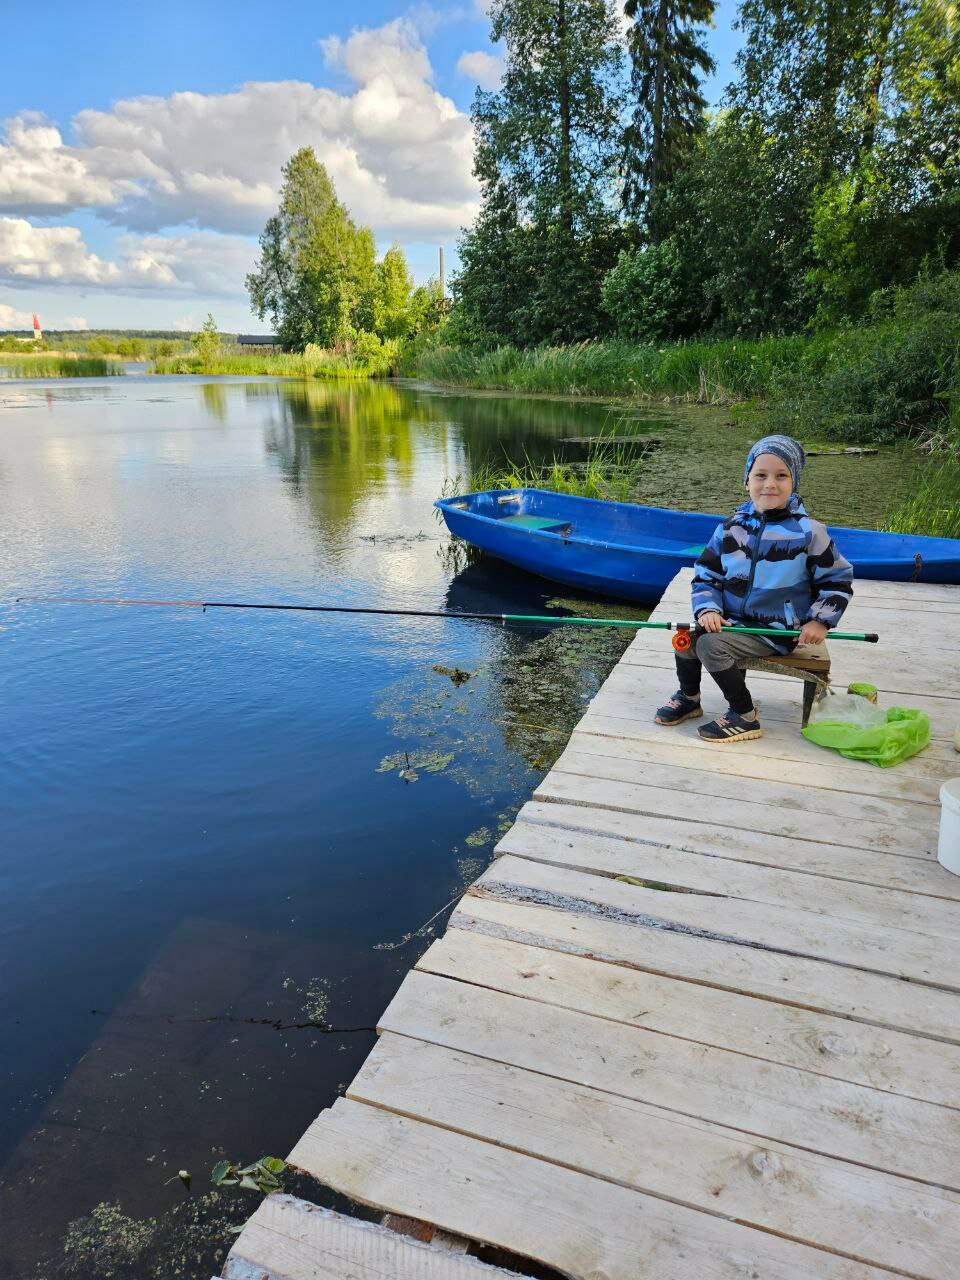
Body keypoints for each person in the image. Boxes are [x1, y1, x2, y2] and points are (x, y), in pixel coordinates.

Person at [655, 434, 853, 743]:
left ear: (794, 482)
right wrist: (709, 609)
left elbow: (837, 580)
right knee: (687, 637)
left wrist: (820, 619)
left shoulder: (809, 532)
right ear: (747, 480)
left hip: (776, 629)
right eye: (760, 475)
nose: (769, 484)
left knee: (710, 646)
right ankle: (689, 697)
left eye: (781, 476)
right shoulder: (729, 528)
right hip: (732, 621)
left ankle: (744, 715)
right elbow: (707, 575)